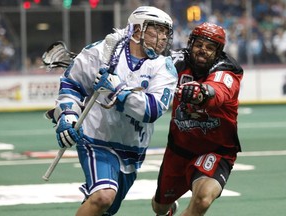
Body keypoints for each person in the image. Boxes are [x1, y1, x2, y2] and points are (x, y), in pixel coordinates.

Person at [46, 6, 177, 216]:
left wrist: (118, 90)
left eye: (165, 32)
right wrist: (68, 116)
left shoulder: (164, 67)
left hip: (133, 148)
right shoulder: (100, 52)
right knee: (103, 196)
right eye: (157, 30)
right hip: (96, 138)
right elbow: (72, 85)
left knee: (105, 207)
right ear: (137, 29)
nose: (163, 38)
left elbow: (151, 110)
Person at [152, 22, 244, 216]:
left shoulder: (229, 71)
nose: (203, 50)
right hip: (178, 150)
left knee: (202, 199)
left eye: (210, 47)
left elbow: (218, 92)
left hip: (216, 150)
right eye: (199, 45)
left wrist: (202, 93)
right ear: (190, 44)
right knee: (159, 207)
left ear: (218, 52)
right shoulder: (174, 61)